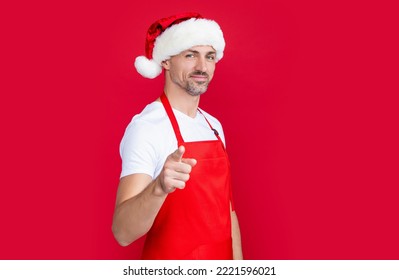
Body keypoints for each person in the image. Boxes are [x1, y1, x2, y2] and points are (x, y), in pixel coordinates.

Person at [112, 12, 243, 260]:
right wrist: (159, 188)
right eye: (190, 55)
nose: (202, 67)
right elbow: (122, 231)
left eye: (210, 56)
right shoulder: (147, 127)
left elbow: (228, 210)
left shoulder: (213, 125)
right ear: (165, 61)